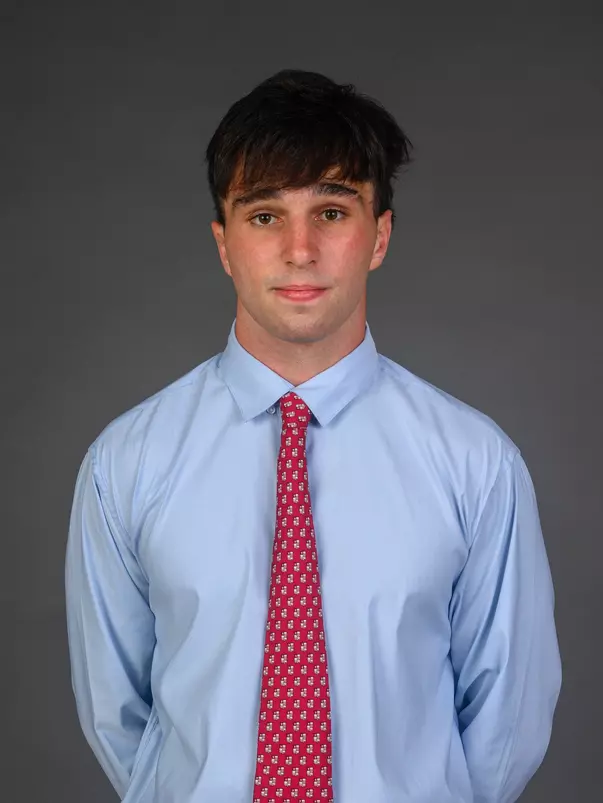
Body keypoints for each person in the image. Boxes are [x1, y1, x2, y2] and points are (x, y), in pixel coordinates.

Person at [65, 69, 562, 803]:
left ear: (379, 236)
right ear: (223, 243)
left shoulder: (474, 461)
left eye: (331, 211)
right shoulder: (126, 461)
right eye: (264, 215)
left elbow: (505, 722)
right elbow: (118, 718)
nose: (299, 250)